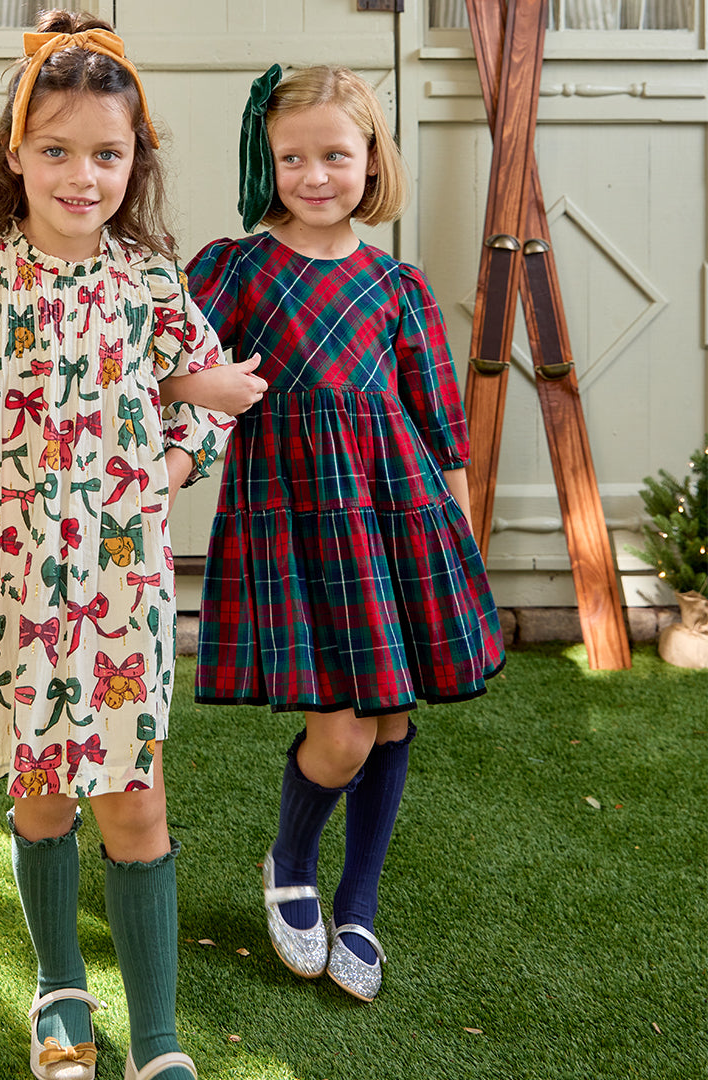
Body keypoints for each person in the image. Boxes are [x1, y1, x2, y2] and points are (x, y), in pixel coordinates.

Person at [0, 12, 264, 1080]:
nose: (81, 174)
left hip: (119, 588)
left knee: (136, 802)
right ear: (15, 150)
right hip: (0, 577)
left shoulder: (148, 281)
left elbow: (214, 397)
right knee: (41, 795)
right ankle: (58, 993)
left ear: (134, 164)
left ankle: (162, 1040)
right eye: (56, 149)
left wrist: (167, 465)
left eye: (106, 153)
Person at [183, 64, 505, 1002]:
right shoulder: (238, 269)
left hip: (398, 521)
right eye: (293, 157)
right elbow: (171, 366)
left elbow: (439, 421)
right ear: (267, 160)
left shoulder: (397, 285)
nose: (315, 174)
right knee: (343, 737)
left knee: (393, 713)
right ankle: (289, 858)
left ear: (371, 159)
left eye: (335, 153)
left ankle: (358, 900)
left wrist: (457, 540)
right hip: (293, 521)